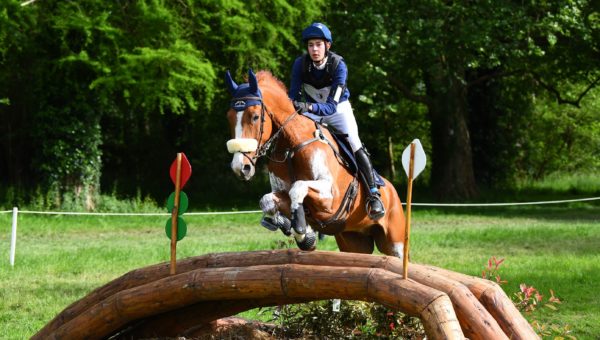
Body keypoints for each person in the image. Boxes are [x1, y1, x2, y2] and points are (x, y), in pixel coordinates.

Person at [288, 22, 385, 220]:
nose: (314, 49)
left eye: (318, 44)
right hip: (313, 110)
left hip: (338, 110)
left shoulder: (339, 65)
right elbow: (292, 97)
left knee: (354, 143)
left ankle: (373, 194)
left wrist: (308, 107)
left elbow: (331, 107)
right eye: (311, 45)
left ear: (327, 46)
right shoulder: (300, 64)